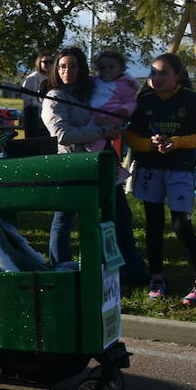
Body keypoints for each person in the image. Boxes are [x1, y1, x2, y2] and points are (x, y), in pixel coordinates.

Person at [124, 53, 196, 306]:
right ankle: (157, 279)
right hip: (150, 169)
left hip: (180, 169)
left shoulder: (190, 99)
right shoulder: (143, 101)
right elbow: (131, 138)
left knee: (181, 225)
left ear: (178, 75)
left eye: (163, 72)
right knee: (153, 224)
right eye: (153, 72)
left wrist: (178, 142)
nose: (157, 77)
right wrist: (150, 145)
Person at [41, 47, 122, 265]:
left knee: (113, 215)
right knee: (64, 217)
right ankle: (60, 265)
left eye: (73, 66)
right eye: (62, 66)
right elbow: (62, 135)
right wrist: (102, 132)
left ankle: (110, 264)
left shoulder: (90, 93)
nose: (68, 70)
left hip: (100, 162)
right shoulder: (54, 97)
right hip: (71, 165)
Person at [91, 50, 148, 284]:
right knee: (108, 213)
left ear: (120, 68)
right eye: (102, 68)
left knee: (118, 212)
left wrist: (115, 117)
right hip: (91, 144)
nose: (105, 72)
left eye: (111, 68)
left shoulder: (124, 86)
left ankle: (125, 262)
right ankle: (112, 261)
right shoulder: (91, 84)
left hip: (103, 145)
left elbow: (128, 106)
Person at [22, 53, 52, 138]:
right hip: (35, 115)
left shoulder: (51, 78)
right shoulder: (33, 77)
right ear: (39, 63)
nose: (48, 64)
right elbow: (28, 99)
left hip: (49, 114)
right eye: (45, 62)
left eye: (51, 62)